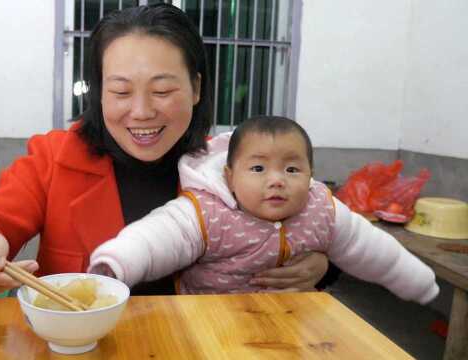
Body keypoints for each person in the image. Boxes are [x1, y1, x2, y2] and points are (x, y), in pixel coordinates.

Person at [0, 4, 331, 298]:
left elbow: (327, 224)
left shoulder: (231, 166)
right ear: (98, 93)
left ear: (196, 88)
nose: (140, 112)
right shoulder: (55, 157)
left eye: (162, 90)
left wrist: (321, 266)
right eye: (120, 91)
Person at [89, 116, 439, 304]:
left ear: (311, 175)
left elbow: (375, 251)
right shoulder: (208, 211)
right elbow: (155, 238)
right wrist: (116, 263)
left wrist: (419, 283)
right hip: (210, 320)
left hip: (292, 319)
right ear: (230, 176)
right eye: (258, 169)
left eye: (291, 169)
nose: (276, 181)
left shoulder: (322, 209)